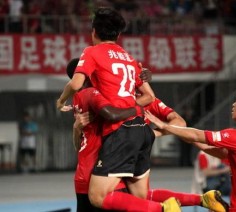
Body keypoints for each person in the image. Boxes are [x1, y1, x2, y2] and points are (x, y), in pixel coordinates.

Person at [56, 6, 179, 211]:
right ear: (119, 35)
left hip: (120, 133)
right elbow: (149, 96)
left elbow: (76, 84)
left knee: (96, 196)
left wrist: (61, 101)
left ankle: (164, 209)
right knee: (140, 197)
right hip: (141, 130)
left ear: (93, 31)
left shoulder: (91, 52)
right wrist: (129, 106)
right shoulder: (128, 58)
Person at [68, 57, 229, 212]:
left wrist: (153, 133)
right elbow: (80, 144)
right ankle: (200, 200)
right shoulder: (94, 99)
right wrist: (76, 127)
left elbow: (180, 122)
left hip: (102, 169)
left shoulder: (132, 101)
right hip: (96, 167)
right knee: (143, 196)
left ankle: (166, 208)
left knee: (107, 198)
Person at [145, 84, 236, 212]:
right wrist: (191, 139)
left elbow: (197, 135)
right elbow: (224, 154)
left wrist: (165, 126)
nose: (234, 104)